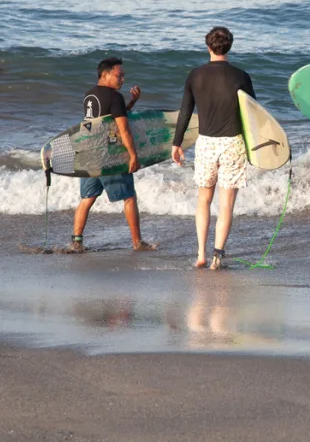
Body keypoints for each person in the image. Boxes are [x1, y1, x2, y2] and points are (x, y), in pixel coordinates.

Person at [172, 26, 255, 270]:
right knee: (226, 203)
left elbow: (186, 111)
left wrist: (177, 143)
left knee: (203, 200)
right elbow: (253, 115)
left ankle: (200, 254)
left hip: (206, 143)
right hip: (233, 143)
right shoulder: (241, 76)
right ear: (229, 46)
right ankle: (218, 256)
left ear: (208, 47)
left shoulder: (195, 75)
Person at [69, 58, 155, 252]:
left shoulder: (89, 95)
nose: (122, 79)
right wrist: (133, 155)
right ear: (105, 74)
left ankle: (76, 241)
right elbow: (123, 129)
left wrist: (132, 102)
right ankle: (137, 242)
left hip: (89, 154)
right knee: (129, 198)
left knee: (87, 199)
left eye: (123, 75)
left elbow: (110, 119)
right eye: (119, 75)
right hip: (109, 155)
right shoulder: (114, 97)